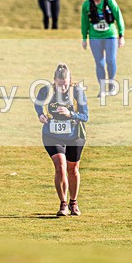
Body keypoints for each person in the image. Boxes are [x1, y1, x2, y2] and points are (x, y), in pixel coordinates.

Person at [34, 62, 88, 216]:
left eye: (65, 85)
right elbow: (38, 105)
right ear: (54, 80)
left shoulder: (77, 91)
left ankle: (73, 202)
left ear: (70, 80)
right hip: (51, 135)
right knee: (60, 166)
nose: (63, 88)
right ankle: (63, 204)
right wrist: (41, 115)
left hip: (74, 135)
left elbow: (85, 116)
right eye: (59, 85)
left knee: (73, 169)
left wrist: (71, 114)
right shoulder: (46, 90)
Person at [81, 0, 125, 96]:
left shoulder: (109, 1)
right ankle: (102, 88)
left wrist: (121, 35)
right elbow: (84, 22)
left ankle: (111, 85)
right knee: (99, 63)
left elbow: (118, 17)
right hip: (95, 37)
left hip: (110, 35)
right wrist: (84, 38)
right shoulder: (87, 5)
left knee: (110, 60)